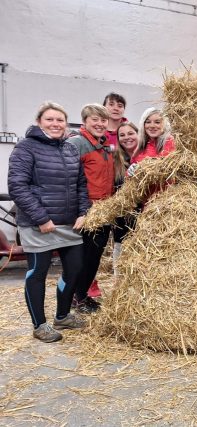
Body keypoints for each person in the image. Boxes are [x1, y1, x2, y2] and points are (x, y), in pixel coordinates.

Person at [8, 102, 89, 342]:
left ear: (66, 123)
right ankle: (39, 325)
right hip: (39, 225)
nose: (55, 124)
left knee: (75, 269)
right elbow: (17, 186)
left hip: (69, 223)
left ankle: (62, 316)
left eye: (60, 120)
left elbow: (81, 185)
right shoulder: (25, 148)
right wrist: (42, 218)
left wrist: (84, 212)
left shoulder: (70, 149)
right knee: (37, 273)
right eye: (50, 120)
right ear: (39, 123)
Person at [67, 103, 115, 313]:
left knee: (94, 256)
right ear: (85, 121)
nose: (100, 123)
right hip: (88, 209)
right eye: (94, 119)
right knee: (85, 257)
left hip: (104, 208)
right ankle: (76, 297)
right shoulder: (76, 143)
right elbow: (70, 179)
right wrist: (81, 209)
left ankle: (82, 295)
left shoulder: (102, 144)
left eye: (103, 120)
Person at [112, 122, 139, 270]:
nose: (126, 138)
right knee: (121, 258)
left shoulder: (147, 156)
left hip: (145, 218)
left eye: (130, 133)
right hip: (122, 219)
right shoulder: (115, 160)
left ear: (138, 134)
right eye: (122, 135)